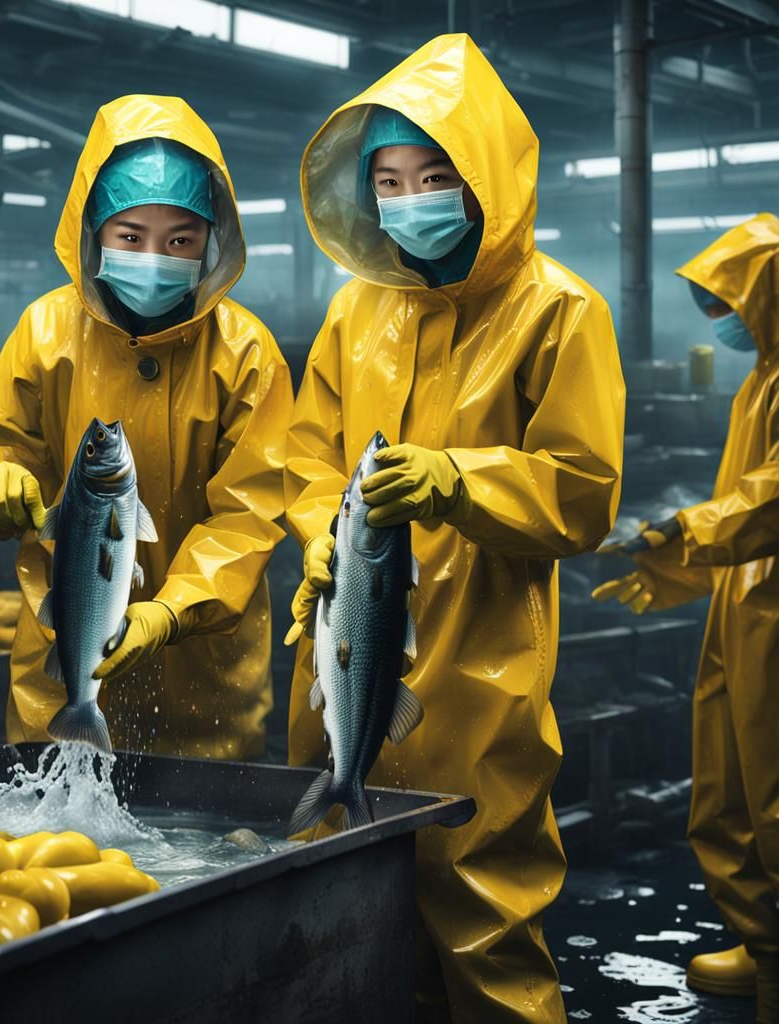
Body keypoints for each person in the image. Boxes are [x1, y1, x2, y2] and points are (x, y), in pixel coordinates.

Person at [284, 33, 625, 1024]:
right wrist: (315, 529)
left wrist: (455, 480)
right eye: (388, 182)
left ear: (486, 180)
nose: (409, 199)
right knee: (342, 921)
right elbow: (310, 459)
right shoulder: (356, 310)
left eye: (435, 177)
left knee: (481, 916)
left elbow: (582, 492)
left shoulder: (560, 311)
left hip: (481, 675)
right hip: (343, 649)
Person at [0, 94, 293, 760]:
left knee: (206, 824)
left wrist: (172, 611)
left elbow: (249, 515)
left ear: (211, 239)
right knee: (56, 826)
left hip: (205, 684)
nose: (155, 256)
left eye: (180, 240)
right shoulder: (44, 332)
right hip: (62, 673)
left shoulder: (246, 353)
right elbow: (2, 449)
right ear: (94, 232)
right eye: (131, 237)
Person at [593, 213, 779, 1019]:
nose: (717, 320)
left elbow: (770, 499)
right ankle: (765, 943)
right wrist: (681, 566)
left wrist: (687, 528)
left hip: (772, 614)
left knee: (774, 790)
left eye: (725, 302)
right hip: (747, 605)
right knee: (726, 787)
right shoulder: (761, 378)